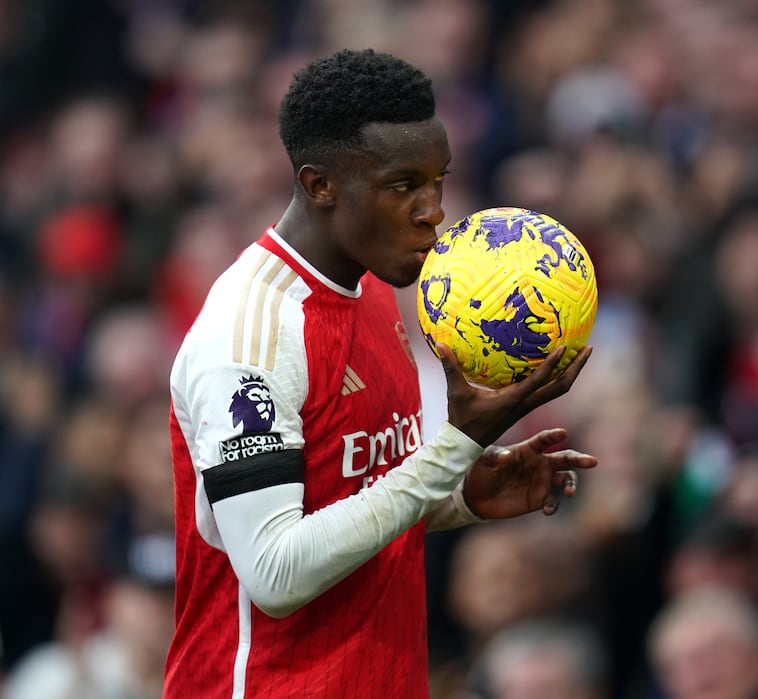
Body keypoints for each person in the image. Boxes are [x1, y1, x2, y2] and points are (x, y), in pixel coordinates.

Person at [163, 48, 596, 698]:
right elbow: (276, 572)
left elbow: (352, 498)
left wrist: (463, 493)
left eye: (437, 181)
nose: (432, 211)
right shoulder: (248, 336)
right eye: (403, 186)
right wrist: (450, 449)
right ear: (320, 185)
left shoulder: (369, 288)